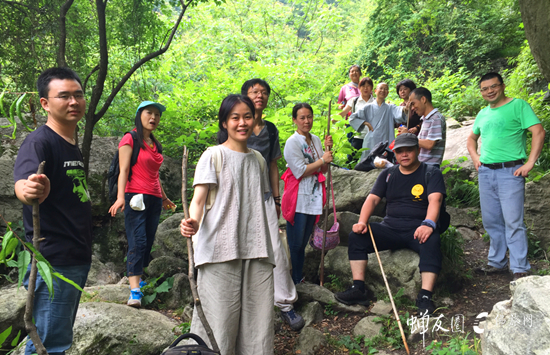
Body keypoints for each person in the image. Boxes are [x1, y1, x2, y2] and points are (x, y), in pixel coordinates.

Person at [180, 94, 275, 355]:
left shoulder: (258, 160)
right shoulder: (213, 156)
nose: (242, 123)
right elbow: (198, 200)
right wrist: (193, 223)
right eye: (235, 118)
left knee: (258, 323)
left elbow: (259, 203)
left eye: (247, 116)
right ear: (225, 123)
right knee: (218, 322)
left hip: (256, 249)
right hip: (219, 250)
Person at [13, 67, 92, 355]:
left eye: (78, 95)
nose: (74, 102)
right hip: (53, 260)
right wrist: (29, 190)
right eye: (64, 96)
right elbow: (22, 183)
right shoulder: (40, 141)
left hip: (75, 256)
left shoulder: (70, 143)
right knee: (49, 345)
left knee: (55, 340)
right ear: (45, 103)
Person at [334, 133, 446, 315]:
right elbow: (372, 200)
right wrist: (362, 222)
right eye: (400, 151)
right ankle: (358, 288)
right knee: (357, 237)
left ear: (417, 150)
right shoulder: (388, 174)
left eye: (409, 150)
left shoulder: (431, 173)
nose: (404, 154)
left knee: (432, 241)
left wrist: (428, 224)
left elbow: (436, 200)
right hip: (390, 228)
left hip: (417, 229)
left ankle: (425, 296)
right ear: (395, 153)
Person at [467, 72, 545, 281]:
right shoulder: (483, 113)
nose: (489, 91)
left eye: (493, 86)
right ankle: (497, 262)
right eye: (484, 88)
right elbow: (471, 139)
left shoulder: (518, 106)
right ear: (481, 92)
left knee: (513, 221)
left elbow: (538, 131)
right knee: (492, 220)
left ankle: (520, 267)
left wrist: (530, 163)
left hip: (510, 171)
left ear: (502, 86)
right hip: (486, 172)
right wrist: (475, 158)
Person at [241, 79, 304, 331]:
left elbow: (274, 164)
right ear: (245, 95)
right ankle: (244, 300)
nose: (260, 95)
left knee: (276, 248)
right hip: (239, 196)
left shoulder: (270, 129)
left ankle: (285, 304)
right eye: (254, 91)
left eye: (264, 92)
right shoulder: (236, 123)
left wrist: (277, 198)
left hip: (265, 195)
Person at [108, 101, 176, 308]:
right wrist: (120, 197)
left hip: (154, 198)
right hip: (135, 197)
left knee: (147, 240)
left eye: (157, 114)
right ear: (140, 115)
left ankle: (138, 277)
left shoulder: (155, 143)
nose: (153, 117)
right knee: (137, 241)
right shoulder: (130, 139)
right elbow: (124, 170)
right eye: (149, 113)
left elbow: (154, 175)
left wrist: (163, 197)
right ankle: (135, 291)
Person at [282, 103, 333, 285]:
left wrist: (327, 152)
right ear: (295, 120)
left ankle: (298, 278)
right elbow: (299, 171)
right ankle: (295, 279)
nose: (306, 121)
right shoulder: (292, 142)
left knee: (303, 242)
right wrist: (321, 160)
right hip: (298, 198)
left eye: (309, 117)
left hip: (313, 197)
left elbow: (324, 169)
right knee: (296, 243)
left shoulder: (316, 140)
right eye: (302, 118)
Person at [349, 82, 407, 161]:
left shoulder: (390, 107)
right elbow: (352, 118)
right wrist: (364, 123)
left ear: (387, 93)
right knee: (369, 165)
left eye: (386, 89)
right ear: (375, 91)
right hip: (371, 141)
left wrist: (405, 109)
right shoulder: (367, 107)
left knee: (385, 165)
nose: (383, 90)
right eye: (381, 88)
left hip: (386, 140)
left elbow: (400, 111)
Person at [398, 87, 446, 168]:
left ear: (423, 99)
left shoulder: (436, 118)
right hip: (423, 164)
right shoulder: (426, 119)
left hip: (430, 166)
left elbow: (429, 144)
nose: (412, 108)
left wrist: (408, 136)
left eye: (413, 104)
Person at [339, 77, 375, 151]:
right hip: (358, 136)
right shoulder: (354, 101)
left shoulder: (376, 102)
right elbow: (344, 112)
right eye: (363, 86)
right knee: (352, 158)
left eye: (368, 86)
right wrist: (333, 119)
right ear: (359, 87)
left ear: (371, 88)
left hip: (372, 136)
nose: (365, 88)